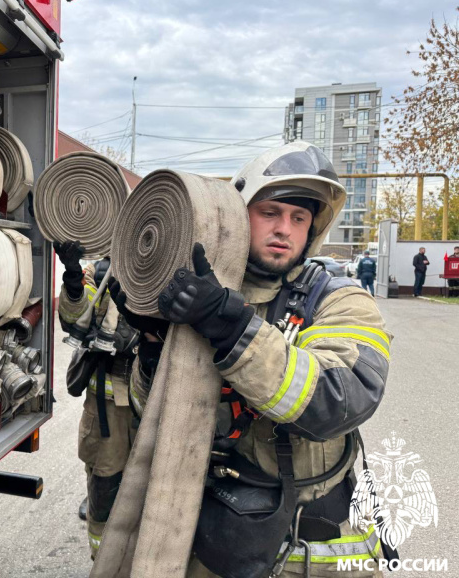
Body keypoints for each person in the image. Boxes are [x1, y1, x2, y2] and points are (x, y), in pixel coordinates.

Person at [111, 142, 391, 577]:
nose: (284, 228)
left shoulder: (339, 300)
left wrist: (232, 328)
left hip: (310, 548)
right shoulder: (204, 297)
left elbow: (340, 400)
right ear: (241, 216)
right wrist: (151, 346)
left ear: (312, 228)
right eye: (270, 212)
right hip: (212, 538)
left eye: (298, 217)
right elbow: (156, 420)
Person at [53, 241, 139, 560]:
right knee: (105, 483)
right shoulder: (99, 270)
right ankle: (103, 561)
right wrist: (73, 278)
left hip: (157, 399)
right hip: (107, 406)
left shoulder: (169, 264)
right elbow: (74, 318)